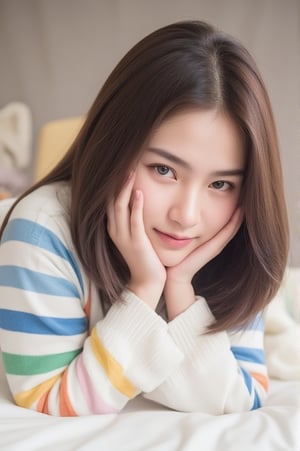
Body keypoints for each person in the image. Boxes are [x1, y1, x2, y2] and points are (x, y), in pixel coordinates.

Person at [0, 20, 289, 416]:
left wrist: (180, 291)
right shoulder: (41, 231)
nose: (186, 216)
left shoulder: (237, 245)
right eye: (164, 170)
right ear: (116, 147)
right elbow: (47, 402)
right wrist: (143, 289)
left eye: (220, 184)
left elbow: (241, 401)